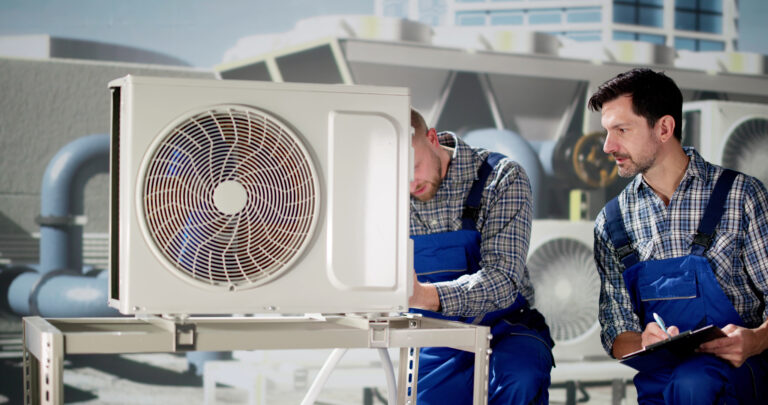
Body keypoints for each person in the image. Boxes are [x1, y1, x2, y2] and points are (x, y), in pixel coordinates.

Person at [589, 68, 768, 404]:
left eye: (621, 130)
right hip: (660, 386)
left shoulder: (742, 196)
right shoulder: (611, 222)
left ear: (664, 128)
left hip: (736, 379)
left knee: (693, 382)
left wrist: (756, 339)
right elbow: (617, 331)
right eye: (607, 132)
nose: (607, 146)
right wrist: (644, 342)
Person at [408, 108, 554, 404]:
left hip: (506, 329)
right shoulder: (388, 194)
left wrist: (424, 296)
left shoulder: (500, 178)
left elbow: (502, 281)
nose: (411, 183)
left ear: (432, 138)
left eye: (415, 166)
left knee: (519, 380)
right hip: (435, 340)